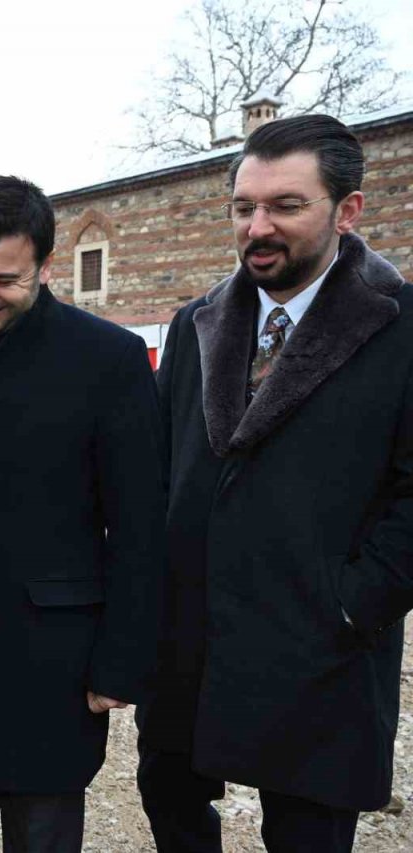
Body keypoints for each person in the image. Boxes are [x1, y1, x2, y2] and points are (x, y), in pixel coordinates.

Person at [138, 114, 413, 853]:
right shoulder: (195, 323)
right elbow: (160, 468)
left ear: (347, 210)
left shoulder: (402, 329)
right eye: (243, 207)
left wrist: (353, 602)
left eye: (285, 206)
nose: (257, 226)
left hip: (321, 650)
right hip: (190, 646)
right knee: (174, 813)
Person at [0, 176, 167, 852]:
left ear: (46, 268)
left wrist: (120, 661)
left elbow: (139, 524)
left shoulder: (110, 359)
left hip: (53, 662)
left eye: (4, 280)